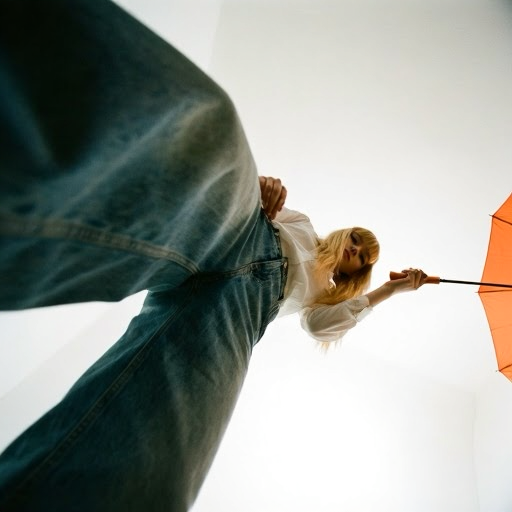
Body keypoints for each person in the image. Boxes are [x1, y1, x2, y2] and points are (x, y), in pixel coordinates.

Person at [0, 1, 427, 511]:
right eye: (358, 240)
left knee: (165, 435)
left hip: (247, 307)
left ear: (358, 271)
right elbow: (267, 205)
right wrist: (266, 190)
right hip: (240, 234)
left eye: (363, 257)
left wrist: (391, 289)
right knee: (210, 127)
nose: (357, 250)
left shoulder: (325, 298)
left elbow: (320, 328)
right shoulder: (306, 226)